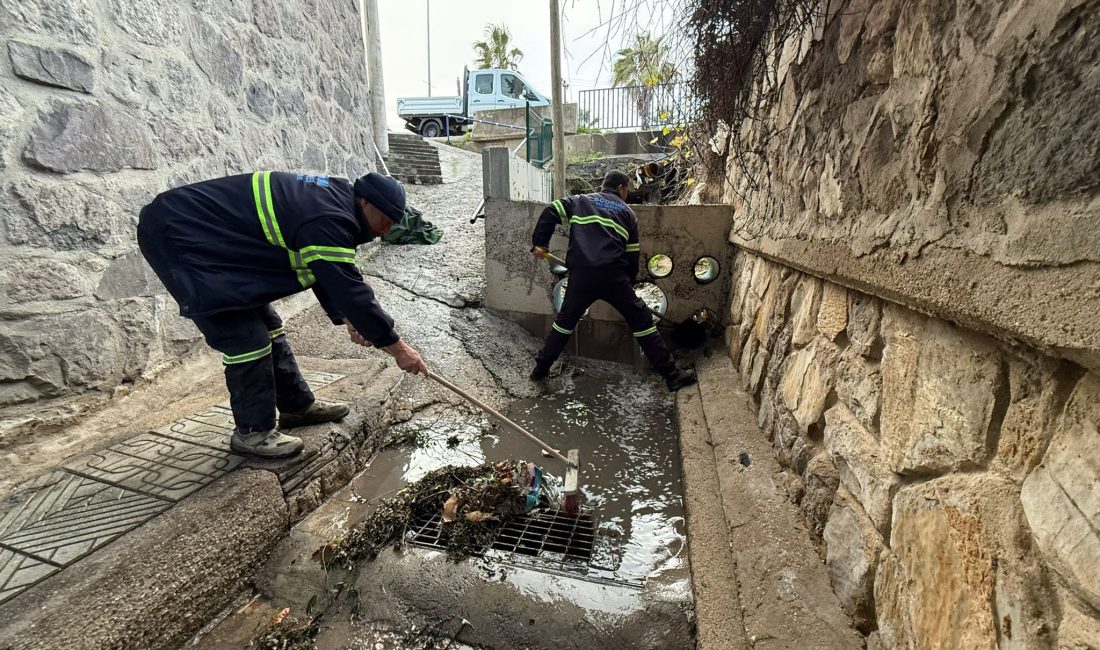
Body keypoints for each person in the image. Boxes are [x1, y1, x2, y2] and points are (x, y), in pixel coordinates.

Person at [137, 171, 428, 459]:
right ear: (365, 202)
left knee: (270, 325)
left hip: (221, 244)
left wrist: (349, 318)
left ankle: (295, 406)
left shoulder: (336, 206)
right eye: (386, 221)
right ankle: (253, 433)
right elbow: (350, 290)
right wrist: (399, 349)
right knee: (247, 339)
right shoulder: (329, 217)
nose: (386, 231)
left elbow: (325, 272)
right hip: (181, 236)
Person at [529, 170, 697, 392]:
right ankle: (672, 375)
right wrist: (627, 286)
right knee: (642, 323)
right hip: (613, 276)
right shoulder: (628, 214)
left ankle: (539, 371)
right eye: (628, 190)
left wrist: (541, 243)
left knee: (564, 323)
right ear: (621, 189)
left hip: (581, 275)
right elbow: (632, 257)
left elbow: (551, 210)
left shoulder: (580, 201)